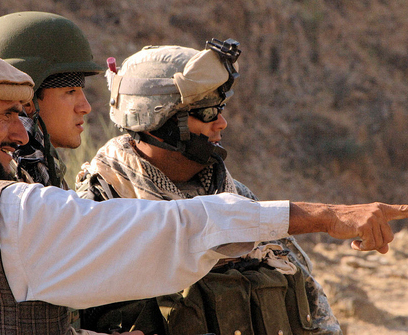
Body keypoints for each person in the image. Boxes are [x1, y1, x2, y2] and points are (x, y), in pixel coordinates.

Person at [0, 47, 408, 334]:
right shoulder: (16, 213)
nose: (23, 133)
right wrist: (330, 216)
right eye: (8, 115)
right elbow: (176, 230)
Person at [74, 40, 376, 334]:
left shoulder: (235, 195)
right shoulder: (98, 208)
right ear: (158, 122)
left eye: (220, 109)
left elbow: (312, 305)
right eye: (206, 113)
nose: (221, 123)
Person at [0, 11, 104, 189]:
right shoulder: (16, 171)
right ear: (26, 101)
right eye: (70, 91)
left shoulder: (36, 164)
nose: (86, 107)